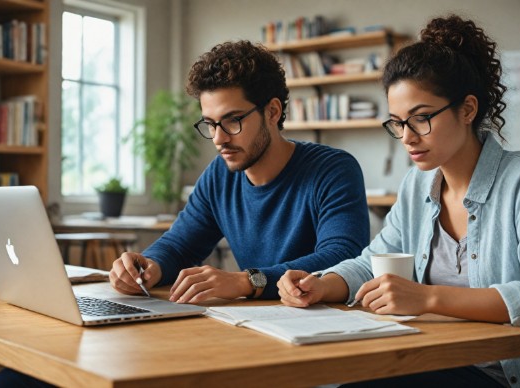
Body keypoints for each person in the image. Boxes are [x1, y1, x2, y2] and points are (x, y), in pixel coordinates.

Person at [277, 14, 520, 387]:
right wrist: (322, 284)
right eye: (397, 122)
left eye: (421, 118)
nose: (407, 136)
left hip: (510, 375)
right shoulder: (418, 184)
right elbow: (373, 262)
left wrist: (426, 298)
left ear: (468, 109)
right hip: (435, 359)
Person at [110, 40, 370, 303]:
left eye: (232, 120)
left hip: (326, 325)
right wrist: (149, 266)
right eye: (211, 124)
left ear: (272, 111)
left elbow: (342, 255)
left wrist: (247, 281)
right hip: (255, 322)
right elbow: (179, 246)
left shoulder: (333, 170)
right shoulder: (219, 175)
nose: (219, 139)